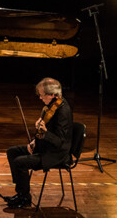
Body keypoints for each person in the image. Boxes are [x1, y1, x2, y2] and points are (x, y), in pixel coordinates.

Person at [5, 77, 73, 208]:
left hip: (55, 154)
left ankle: (25, 198)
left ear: (52, 95)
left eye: (42, 95)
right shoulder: (50, 107)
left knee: (20, 162)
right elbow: (43, 135)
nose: (40, 98)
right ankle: (21, 191)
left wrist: (45, 132)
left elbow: (60, 142)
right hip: (44, 146)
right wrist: (34, 141)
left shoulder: (63, 112)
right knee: (12, 152)